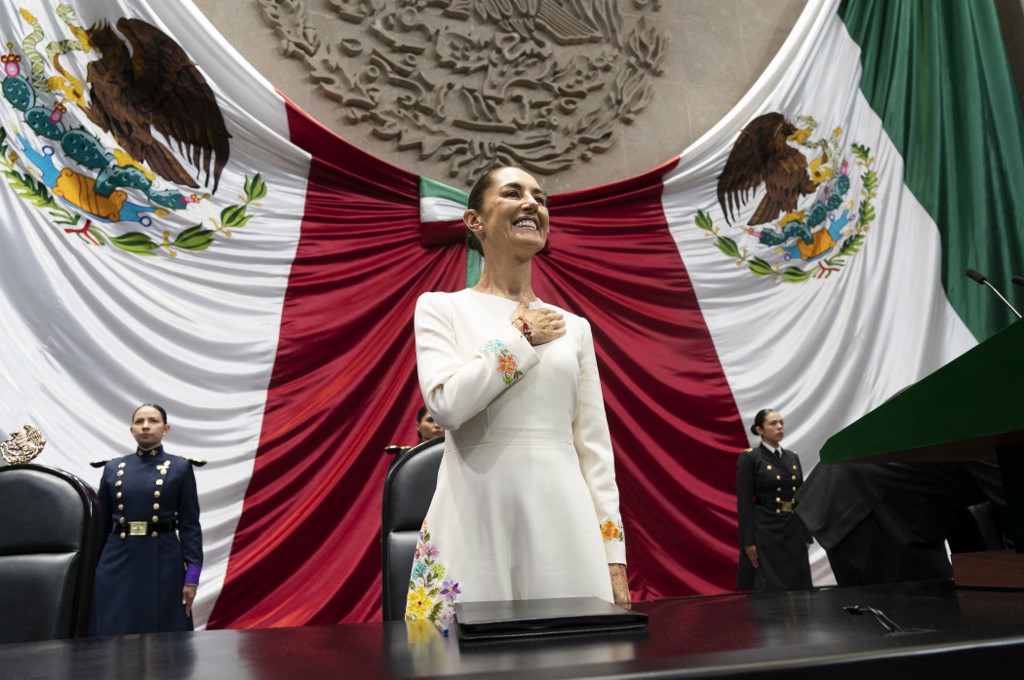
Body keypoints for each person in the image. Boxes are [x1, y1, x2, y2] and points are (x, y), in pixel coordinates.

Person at [406, 165, 628, 626]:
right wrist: (520, 338)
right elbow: (447, 406)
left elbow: (594, 449)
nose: (532, 203)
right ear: (474, 221)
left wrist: (614, 552)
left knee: (575, 660)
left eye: (540, 197)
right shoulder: (440, 308)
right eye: (512, 193)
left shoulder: (575, 328)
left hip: (564, 519)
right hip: (474, 514)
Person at [91, 403, 203, 636]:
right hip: (117, 558)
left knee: (163, 637)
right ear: (131, 429)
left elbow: (190, 526)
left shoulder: (180, 468)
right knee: (114, 628)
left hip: (162, 558)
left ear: (166, 428)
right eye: (139, 422)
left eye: (153, 421)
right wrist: (93, 571)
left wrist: (192, 577)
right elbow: (101, 527)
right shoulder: (113, 468)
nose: (145, 427)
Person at [736, 409, 812, 591]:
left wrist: (806, 534)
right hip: (766, 528)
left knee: (798, 583)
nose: (779, 427)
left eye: (781, 422)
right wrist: (747, 542)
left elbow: (800, 497)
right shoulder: (751, 457)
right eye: (773, 423)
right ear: (759, 429)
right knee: (772, 584)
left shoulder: (792, 457)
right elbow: (744, 502)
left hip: (792, 526)